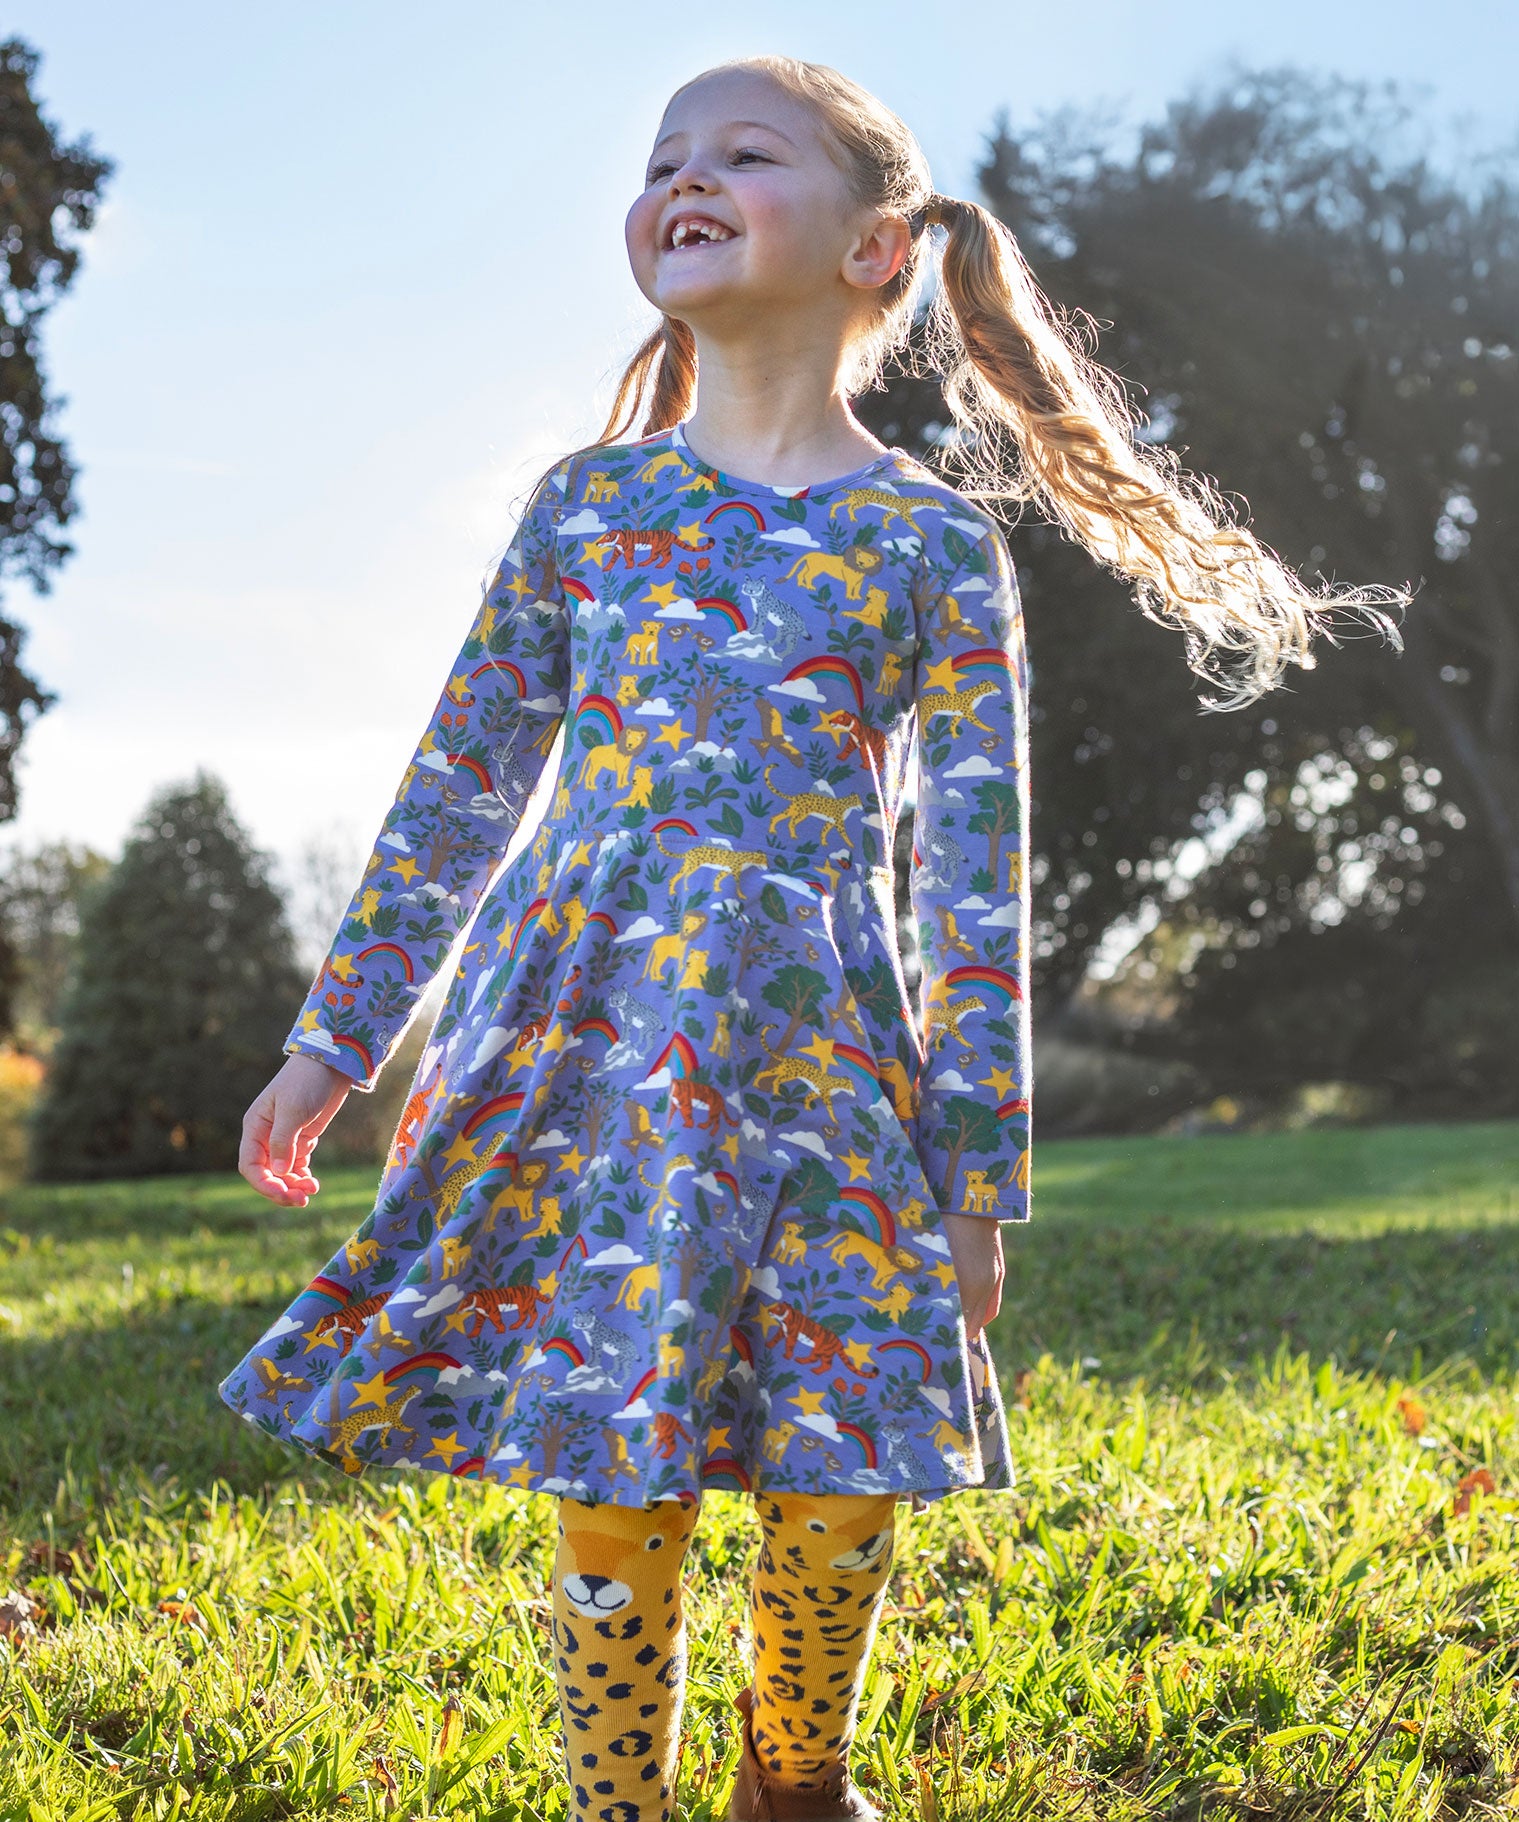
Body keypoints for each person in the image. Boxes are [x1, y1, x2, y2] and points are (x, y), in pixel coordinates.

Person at [220, 54, 1408, 1822]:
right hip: (594, 1053)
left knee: (847, 1446)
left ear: (878, 249)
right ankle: (619, 1794)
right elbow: (459, 790)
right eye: (659, 160)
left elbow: (975, 880)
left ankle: (795, 1776)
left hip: (830, 1059)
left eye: (741, 153)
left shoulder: (926, 543)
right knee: (615, 1427)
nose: (682, 179)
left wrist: (976, 1176)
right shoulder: (591, 510)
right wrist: (333, 1043)